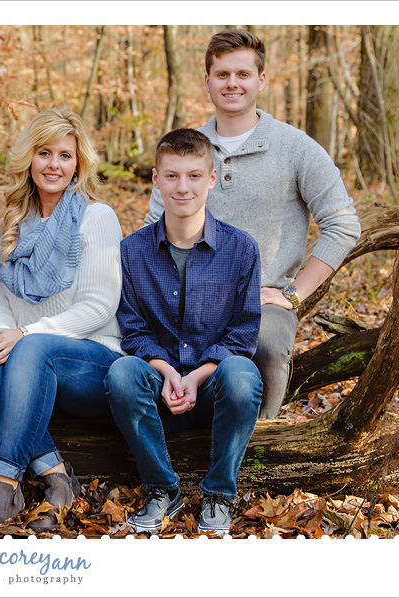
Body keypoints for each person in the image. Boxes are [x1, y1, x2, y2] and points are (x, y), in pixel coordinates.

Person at [144, 28, 360, 418]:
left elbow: (343, 224)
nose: (232, 83)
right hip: (188, 297)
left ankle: (261, 442)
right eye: (222, 74)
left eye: (243, 74)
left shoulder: (295, 147)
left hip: (263, 302)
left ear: (261, 80)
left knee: (266, 344)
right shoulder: (185, 149)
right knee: (137, 344)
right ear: (207, 81)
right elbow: (151, 230)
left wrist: (294, 294)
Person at [0, 108, 123, 538]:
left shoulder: (97, 217)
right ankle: (56, 475)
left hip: (91, 364)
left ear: (78, 164)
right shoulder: (9, 224)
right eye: (44, 153)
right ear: (29, 158)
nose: (54, 165)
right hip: (28, 363)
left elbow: (100, 306)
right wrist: (1, 340)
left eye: (65, 155)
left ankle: (3, 487)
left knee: (29, 348)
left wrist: (25, 335)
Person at [107, 128, 262, 535]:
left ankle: (219, 494)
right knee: (121, 373)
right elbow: (133, 330)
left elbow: (242, 334)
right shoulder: (131, 251)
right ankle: (162, 489)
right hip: (157, 388)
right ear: (156, 179)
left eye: (194, 176)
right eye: (172, 176)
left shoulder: (241, 249)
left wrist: (195, 377)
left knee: (244, 375)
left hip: (213, 388)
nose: (182, 187)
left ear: (211, 179)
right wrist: (169, 373)